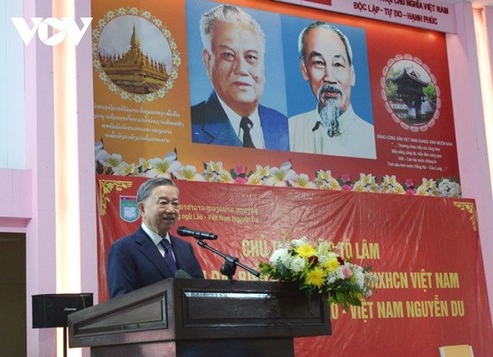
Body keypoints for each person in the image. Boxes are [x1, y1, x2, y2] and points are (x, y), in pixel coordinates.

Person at [191, 4, 289, 151]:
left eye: (250, 57)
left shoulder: (285, 127)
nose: (242, 69)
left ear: (262, 65)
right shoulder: (191, 126)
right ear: (208, 61)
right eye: (228, 55)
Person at [289, 21, 376, 159]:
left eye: (338, 64)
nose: (329, 77)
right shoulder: (290, 131)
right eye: (319, 63)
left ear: (352, 74)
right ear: (304, 70)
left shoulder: (371, 139)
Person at [107, 177, 204, 297]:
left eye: (175, 203)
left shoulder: (185, 248)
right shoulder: (123, 249)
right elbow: (121, 301)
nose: (171, 210)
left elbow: (201, 292)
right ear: (142, 209)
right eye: (163, 203)